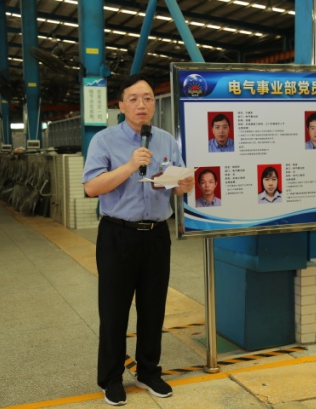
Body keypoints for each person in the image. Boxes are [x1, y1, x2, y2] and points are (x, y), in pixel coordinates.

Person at [82, 74, 194, 406]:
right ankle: (111, 378)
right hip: (118, 235)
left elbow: (177, 183)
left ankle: (148, 372)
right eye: (133, 99)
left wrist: (182, 185)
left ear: (154, 104)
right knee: (114, 311)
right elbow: (92, 187)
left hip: (156, 235)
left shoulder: (166, 140)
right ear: (121, 105)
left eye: (147, 98)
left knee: (153, 308)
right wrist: (131, 166)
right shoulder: (104, 141)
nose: (141, 104)